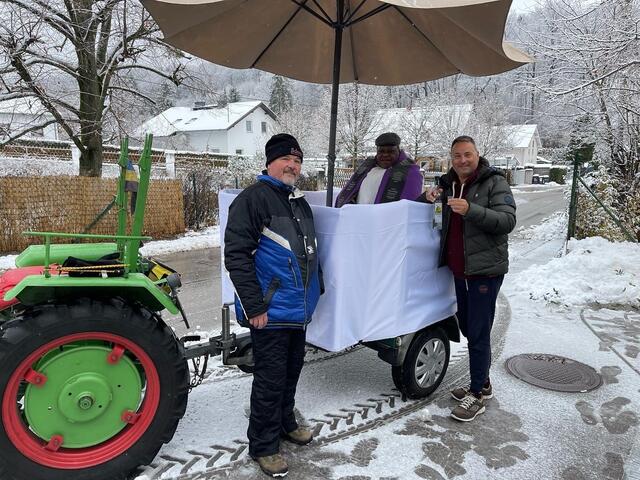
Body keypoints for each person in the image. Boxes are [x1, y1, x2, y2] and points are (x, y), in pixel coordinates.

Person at [224, 133, 323, 477]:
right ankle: (264, 445)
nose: (293, 165)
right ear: (269, 162)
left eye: (297, 161)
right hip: (270, 312)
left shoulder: (297, 201)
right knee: (269, 379)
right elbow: (236, 256)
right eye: (286, 159)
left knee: (291, 371)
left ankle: (285, 422)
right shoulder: (254, 199)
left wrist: (316, 293)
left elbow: (310, 255)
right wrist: (254, 307)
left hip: (297, 310)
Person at [418, 135, 516, 422]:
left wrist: (471, 210)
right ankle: (482, 381)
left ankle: (477, 394)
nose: (462, 160)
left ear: (477, 154)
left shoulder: (494, 182)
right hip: (459, 270)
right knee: (466, 326)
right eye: (457, 155)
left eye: (467, 155)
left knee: (478, 330)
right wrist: (426, 198)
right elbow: (423, 210)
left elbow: (507, 221)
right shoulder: (446, 183)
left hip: (485, 270)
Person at [334, 132, 423, 207]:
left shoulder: (411, 172)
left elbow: (411, 206)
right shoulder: (367, 167)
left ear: (399, 151)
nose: (385, 155)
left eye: (390, 151)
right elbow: (350, 192)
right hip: (359, 219)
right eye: (381, 151)